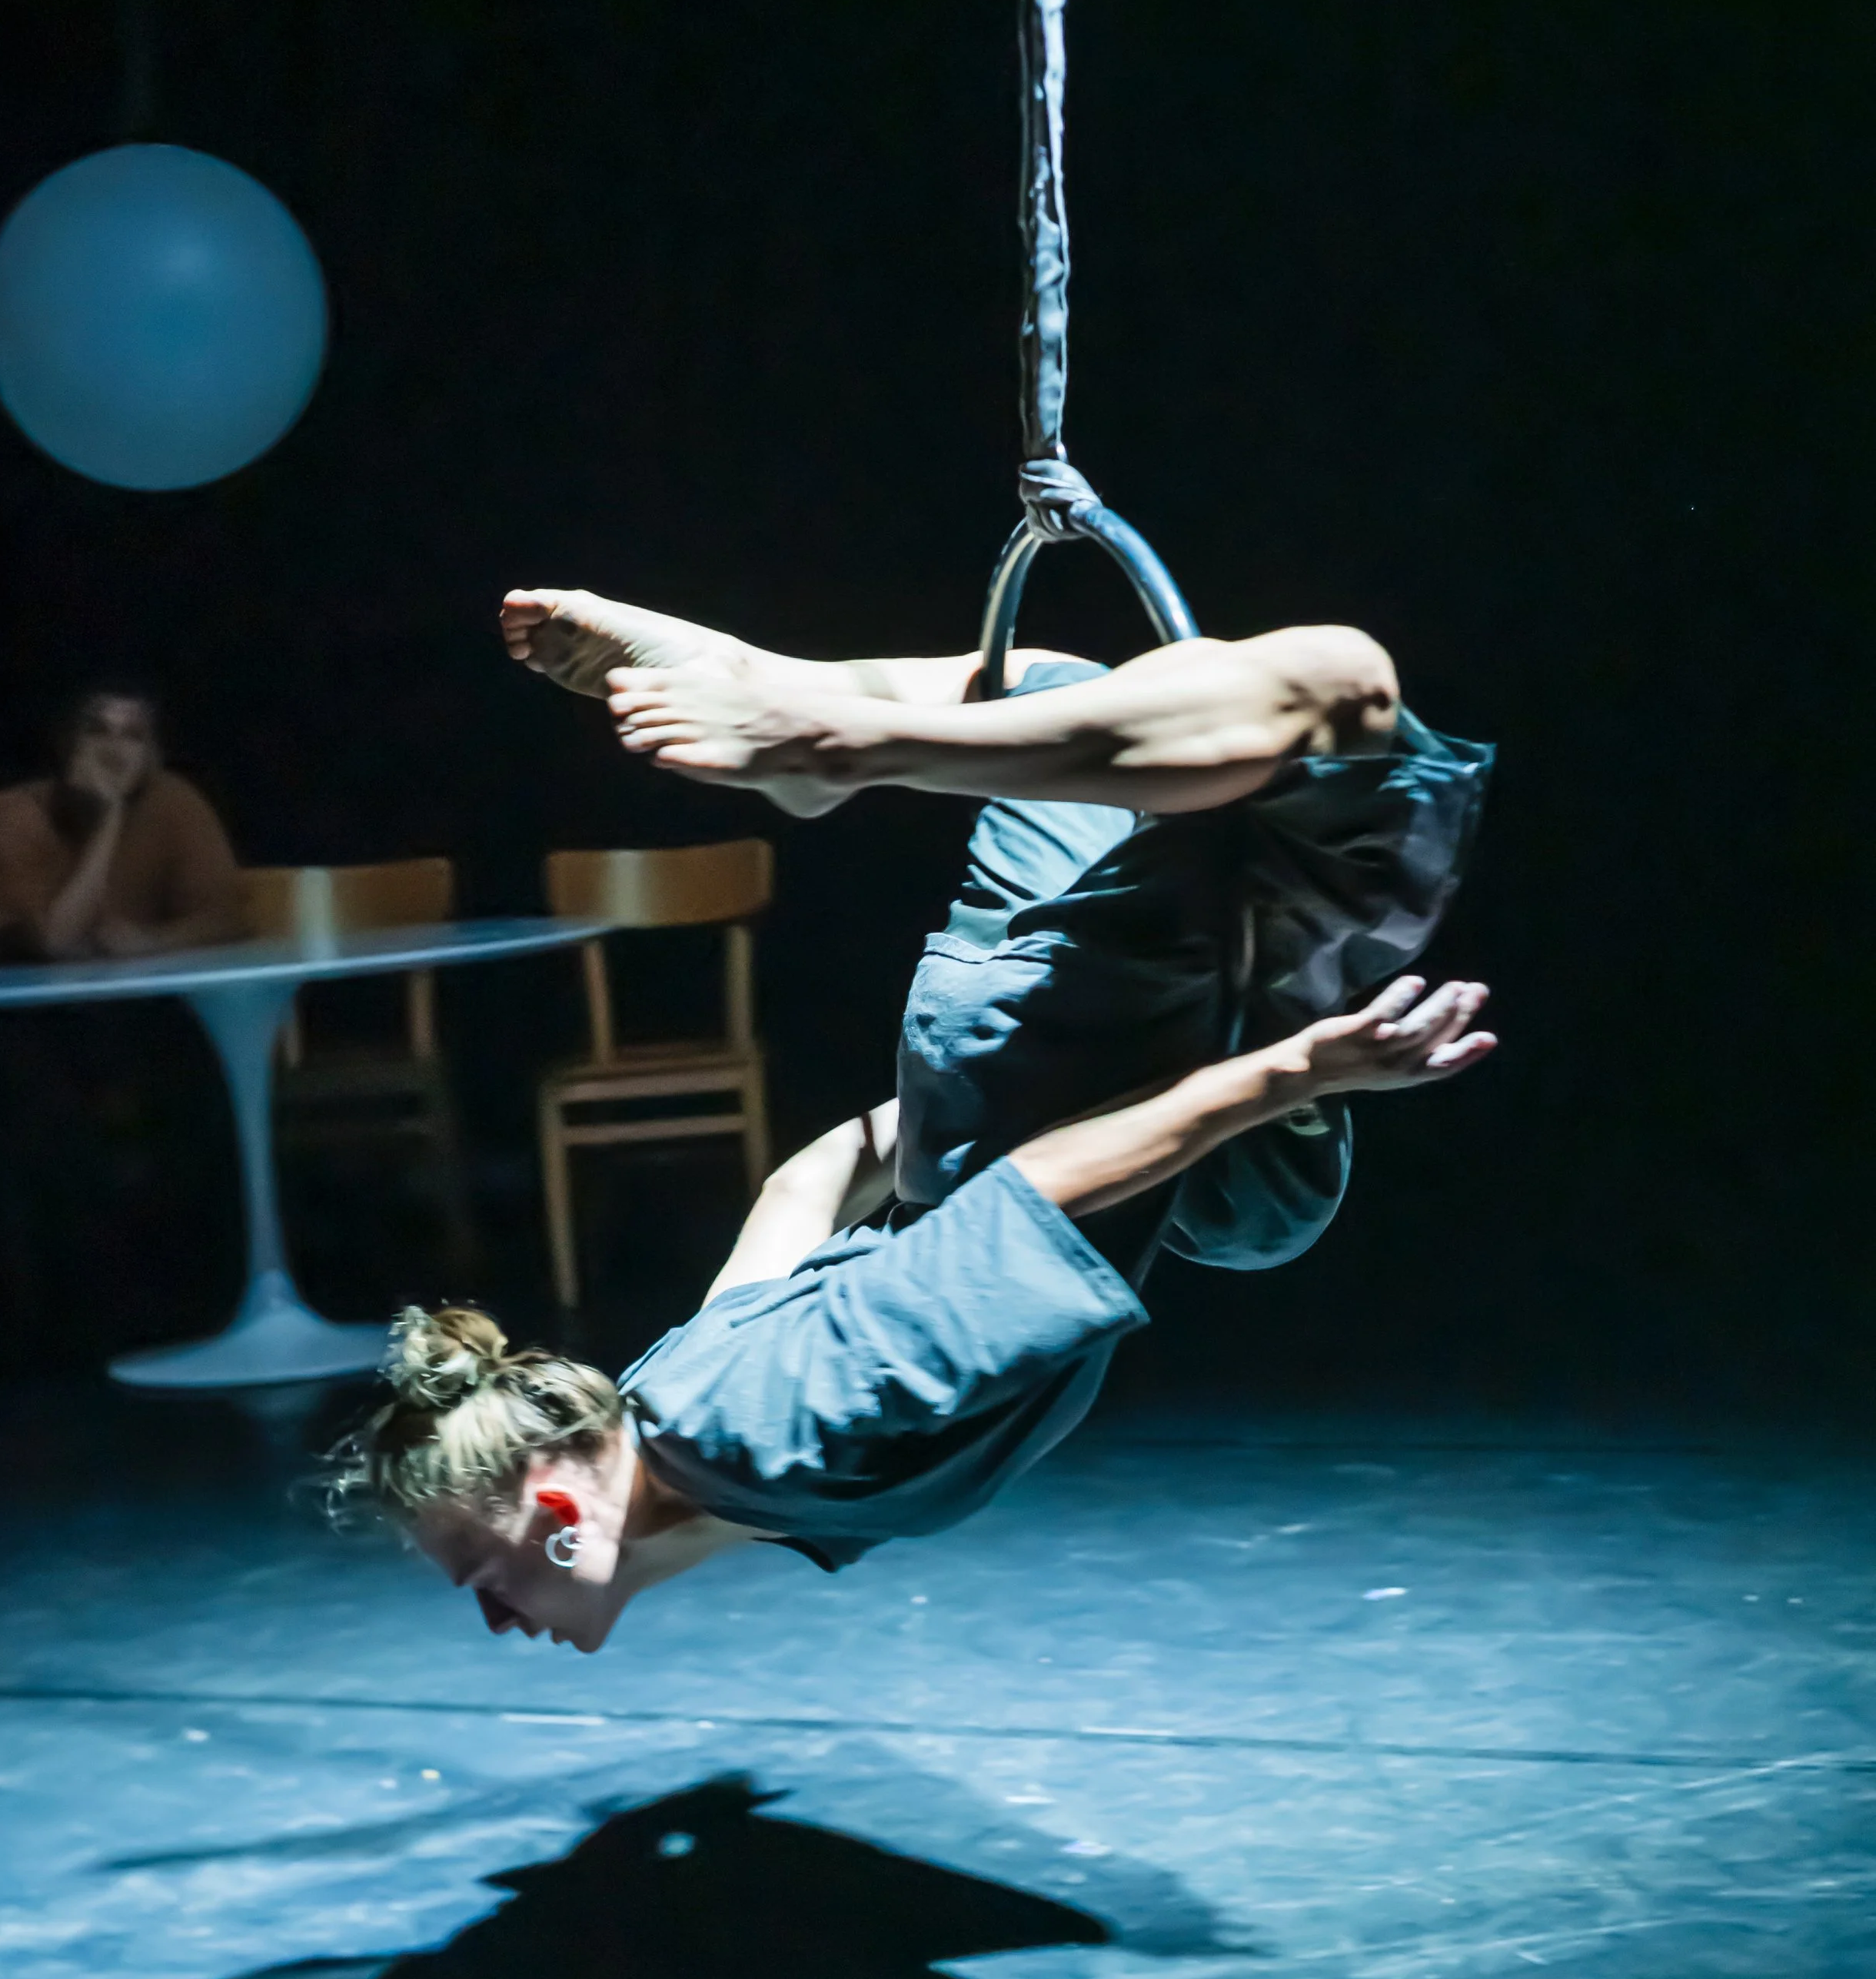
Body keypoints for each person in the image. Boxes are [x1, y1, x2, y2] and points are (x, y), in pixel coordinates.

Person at [331, 587, 1497, 1651]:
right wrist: (955, 1094)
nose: (493, 1617)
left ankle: (835, 741)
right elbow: (808, 1181)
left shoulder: (763, 1434)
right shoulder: (682, 1418)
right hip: (993, 1034)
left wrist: (1296, 1076)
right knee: (1054, 688)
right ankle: (783, 690)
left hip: (1070, 1038)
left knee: (1341, 695)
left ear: (555, 1512)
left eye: (480, 1576)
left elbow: (1036, 1197)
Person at [0, 684, 244, 961]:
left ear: (152, 756)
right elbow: (55, 943)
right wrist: (110, 816)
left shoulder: (174, 802)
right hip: (25, 996)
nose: (114, 749)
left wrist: (153, 942)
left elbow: (226, 919)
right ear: (67, 743)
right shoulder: (12, 814)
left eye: (133, 736)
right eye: (97, 731)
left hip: (140, 993)